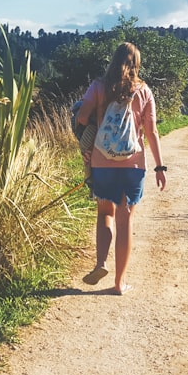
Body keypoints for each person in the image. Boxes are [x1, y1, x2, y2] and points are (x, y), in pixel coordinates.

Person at [75, 42, 167, 295]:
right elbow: (152, 131)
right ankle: (119, 282)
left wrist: (97, 117)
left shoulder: (98, 87)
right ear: (137, 63)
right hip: (133, 162)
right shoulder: (145, 91)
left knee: (105, 213)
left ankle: (101, 263)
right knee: (125, 218)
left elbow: (82, 118)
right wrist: (160, 167)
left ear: (113, 60)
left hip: (102, 160)